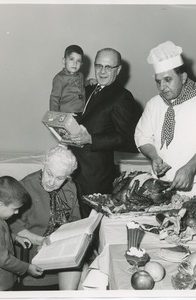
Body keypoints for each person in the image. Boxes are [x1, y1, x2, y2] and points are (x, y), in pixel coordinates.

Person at [69, 47, 141, 218]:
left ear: (119, 70)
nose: (102, 71)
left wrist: (92, 139)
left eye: (108, 67)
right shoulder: (89, 88)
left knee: (90, 226)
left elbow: (130, 140)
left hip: (95, 178)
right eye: (98, 65)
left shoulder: (122, 97)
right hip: (73, 171)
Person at [134, 41, 196, 198]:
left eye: (168, 80)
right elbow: (142, 137)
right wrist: (154, 156)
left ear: (183, 77)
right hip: (160, 187)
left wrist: (190, 168)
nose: (162, 87)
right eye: (158, 81)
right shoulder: (154, 104)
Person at [9, 145, 82, 290]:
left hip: (62, 248)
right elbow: (15, 228)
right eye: (49, 173)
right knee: (80, 271)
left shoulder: (70, 188)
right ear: (44, 165)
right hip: (33, 251)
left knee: (86, 270)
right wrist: (41, 240)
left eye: (60, 178)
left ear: (68, 177)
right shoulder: (25, 188)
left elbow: (75, 221)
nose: (51, 182)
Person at [0, 176, 43, 291]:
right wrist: (27, 267)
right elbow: (4, 260)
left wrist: (15, 237)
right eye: (14, 209)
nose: (17, 212)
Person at [49, 44, 96, 115]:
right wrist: (55, 115)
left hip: (80, 111)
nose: (75, 63)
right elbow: (54, 98)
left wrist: (89, 82)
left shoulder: (80, 75)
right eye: (71, 59)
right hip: (66, 114)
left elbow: (80, 85)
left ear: (81, 63)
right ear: (64, 61)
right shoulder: (60, 78)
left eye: (78, 61)